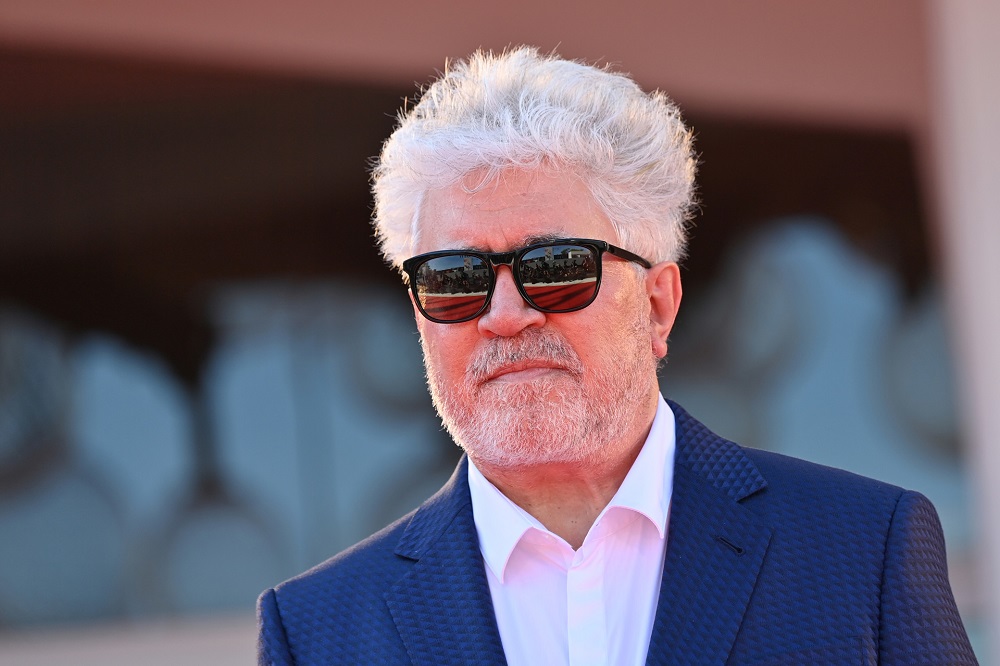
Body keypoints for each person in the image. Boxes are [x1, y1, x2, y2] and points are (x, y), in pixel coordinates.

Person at [257, 47, 977, 665]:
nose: (504, 316)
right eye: (454, 280)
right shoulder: (319, 633)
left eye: (557, 266)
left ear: (659, 303)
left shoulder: (858, 553)